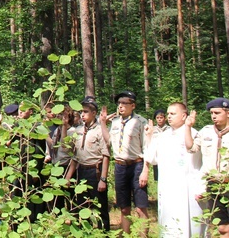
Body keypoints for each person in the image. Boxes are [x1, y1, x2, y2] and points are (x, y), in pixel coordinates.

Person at [185, 97, 229, 238]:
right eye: (211, 113)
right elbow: (191, 148)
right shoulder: (206, 132)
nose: (213, 116)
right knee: (222, 228)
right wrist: (188, 127)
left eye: (217, 113)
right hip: (213, 185)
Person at [144, 102, 204, 238]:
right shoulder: (163, 136)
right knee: (168, 226)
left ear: (184, 116)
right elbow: (152, 158)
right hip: (167, 189)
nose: (169, 117)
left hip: (187, 189)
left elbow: (201, 162)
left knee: (188, 226)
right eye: (168, 114)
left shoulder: (193, 134)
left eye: (173, 113)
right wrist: (149, 136)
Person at [101, 90, 149, 235]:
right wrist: (103, 123)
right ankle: (126, 234)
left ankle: (143, 235)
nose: (120, 106)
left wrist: (145, 171)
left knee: (140, 207)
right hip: (120, 166)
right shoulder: (115, 122)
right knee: (124, 207)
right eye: (119, 103)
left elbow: (147, 147)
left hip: (137, 165)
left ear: (132, 105)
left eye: (124, 103)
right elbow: (109, 141)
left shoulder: (141, 122)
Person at [65, 96, 110, 230]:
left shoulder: (100, 131)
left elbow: (106, 156)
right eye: (81, 112)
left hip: (95, 171)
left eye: (85, 112)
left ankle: (104, 233)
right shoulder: (78, 131)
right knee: (82, 206)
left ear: (94, 113)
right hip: (81, 171)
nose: (82, 115)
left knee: (99, 206)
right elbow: (75, 156)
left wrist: (103, 179)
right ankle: (86, 232)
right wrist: (68, 176)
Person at [152, 109, 170, 182]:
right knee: (159, 179)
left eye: (161, 117)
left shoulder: (170, 129)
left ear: (165, 118)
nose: (159, 119)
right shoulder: (153, 129)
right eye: (157, 118)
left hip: (168, 155)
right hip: (157, 156)